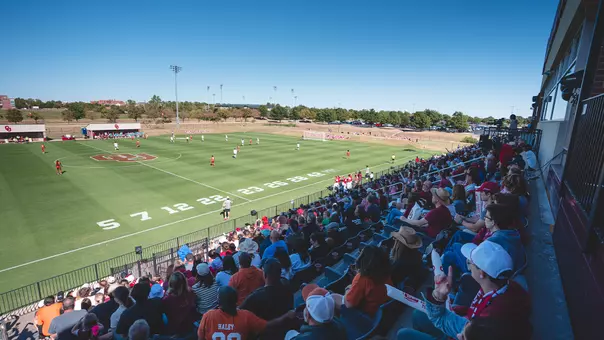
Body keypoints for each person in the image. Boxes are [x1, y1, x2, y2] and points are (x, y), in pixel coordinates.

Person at [399, 240, 531, 340]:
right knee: (418, 314)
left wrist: (438, 296)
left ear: (482, 273)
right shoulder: (509, 287)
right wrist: (458, 310)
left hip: (466, 333)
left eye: (471, 262)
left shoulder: (487, 321)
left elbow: (440, 319)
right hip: (470, 325)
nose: (468, 262)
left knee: (403, 334)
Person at [198, 286, 294, 340]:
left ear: (219, 301)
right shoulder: (245, 316)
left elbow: (200, 338)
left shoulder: (208, 316)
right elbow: (268, 325)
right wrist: (286, 316)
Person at [333, 245, 392, 317]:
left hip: (369, 313)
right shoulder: (385, 269)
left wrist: (348, 289)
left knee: (333, 297)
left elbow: (349, 304)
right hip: (382, 307)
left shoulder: (361, 278)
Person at [162, 271, 197, 336]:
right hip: (190, 327)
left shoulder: (166, 300)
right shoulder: (191, 293)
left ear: (171, 284)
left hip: (175, 331)